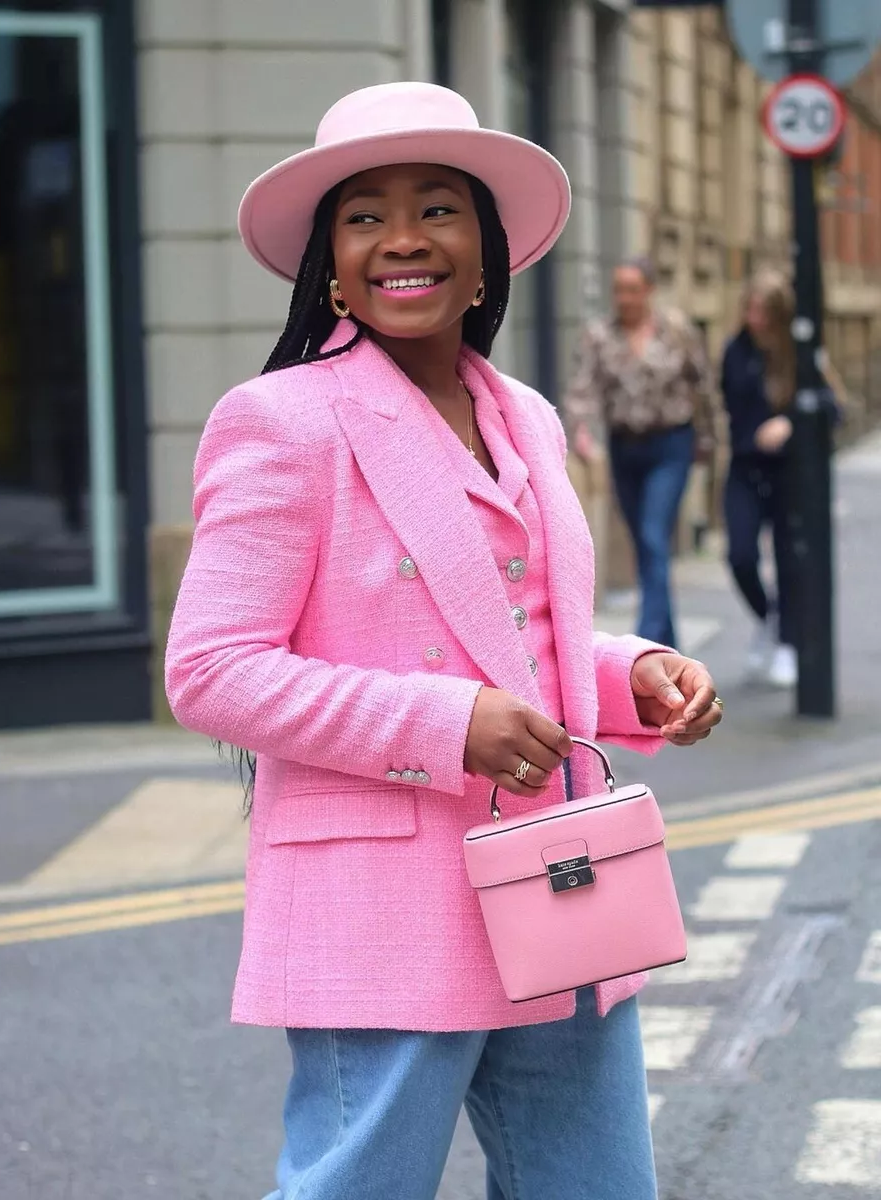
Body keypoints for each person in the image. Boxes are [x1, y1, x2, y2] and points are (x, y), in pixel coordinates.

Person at [165, 82, 723, 1200]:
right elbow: (211, 670)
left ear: (487, 255)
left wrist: (631, 675)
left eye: (438, 209)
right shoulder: (281, 420)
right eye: (364, 215)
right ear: (330, 262)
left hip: (564, 890)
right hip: (387, 918)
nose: (402, 238)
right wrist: (446, 723)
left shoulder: (527, 413)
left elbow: (513, 624)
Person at [565, 257, 717, 648]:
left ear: (649, 290)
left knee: (652, 535)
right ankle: (670, 645)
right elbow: (583, 389)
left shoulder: (677, 330)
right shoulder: (599, 335)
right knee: (646, 543)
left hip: (671, 444)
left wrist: (711, 439)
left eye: (632, 289)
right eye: (619, 290)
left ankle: (647, 641)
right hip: (625, 447)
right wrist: (580, 431)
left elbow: (703, 387)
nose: (625, 298)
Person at [720, 266, 844, 688]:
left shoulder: (802, 354)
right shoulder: (735, 350)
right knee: (740, 555)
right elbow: (733, 412)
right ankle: (768, 618)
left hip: (790, 475)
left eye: (764, 311)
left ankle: (788, 642)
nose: (755, 318)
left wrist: (789, 423)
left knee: (793, 561)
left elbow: (833, 409)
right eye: (750, 308)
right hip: (746, 468)